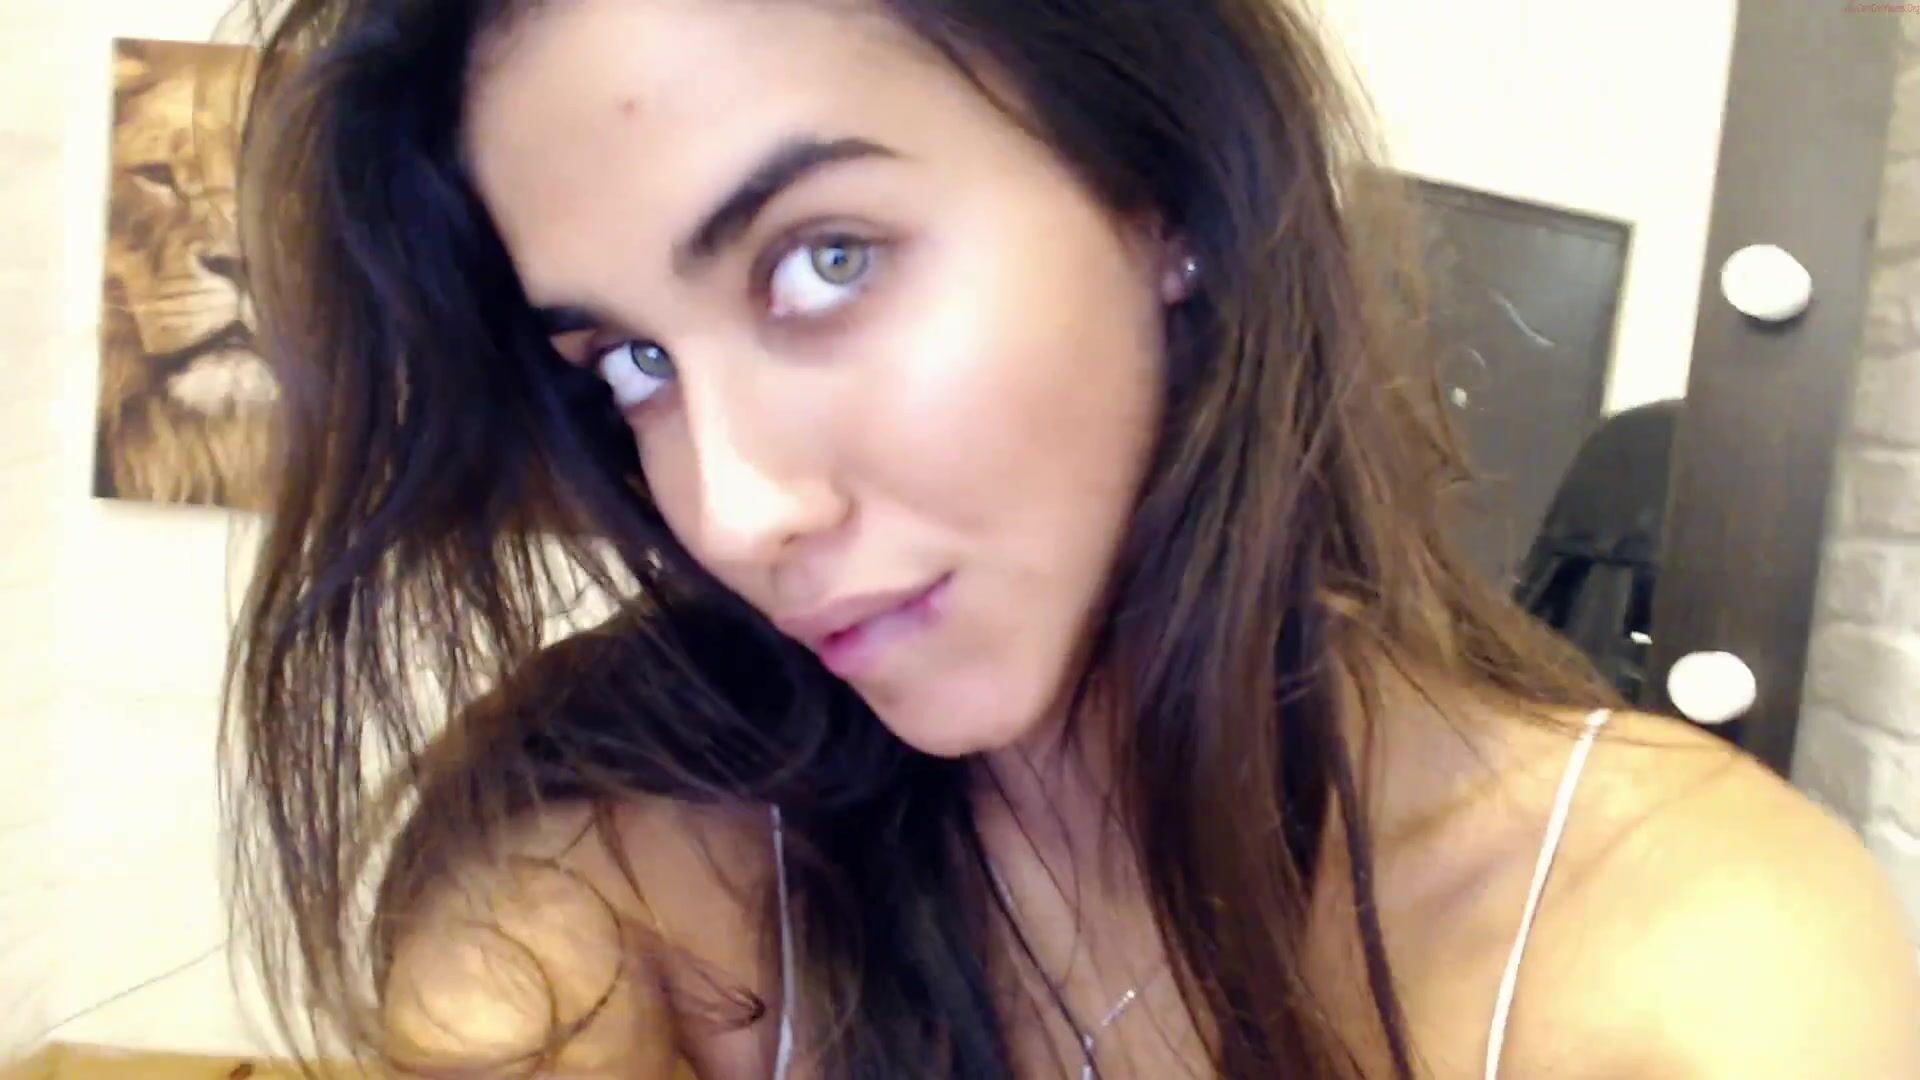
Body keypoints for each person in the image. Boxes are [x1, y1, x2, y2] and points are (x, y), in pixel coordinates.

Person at [221, 0, 1920, 1076]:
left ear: (1163, 197)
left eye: (823, 259)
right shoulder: (630, 895)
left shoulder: (1683, 944)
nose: (735, 510)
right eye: (634, 365)